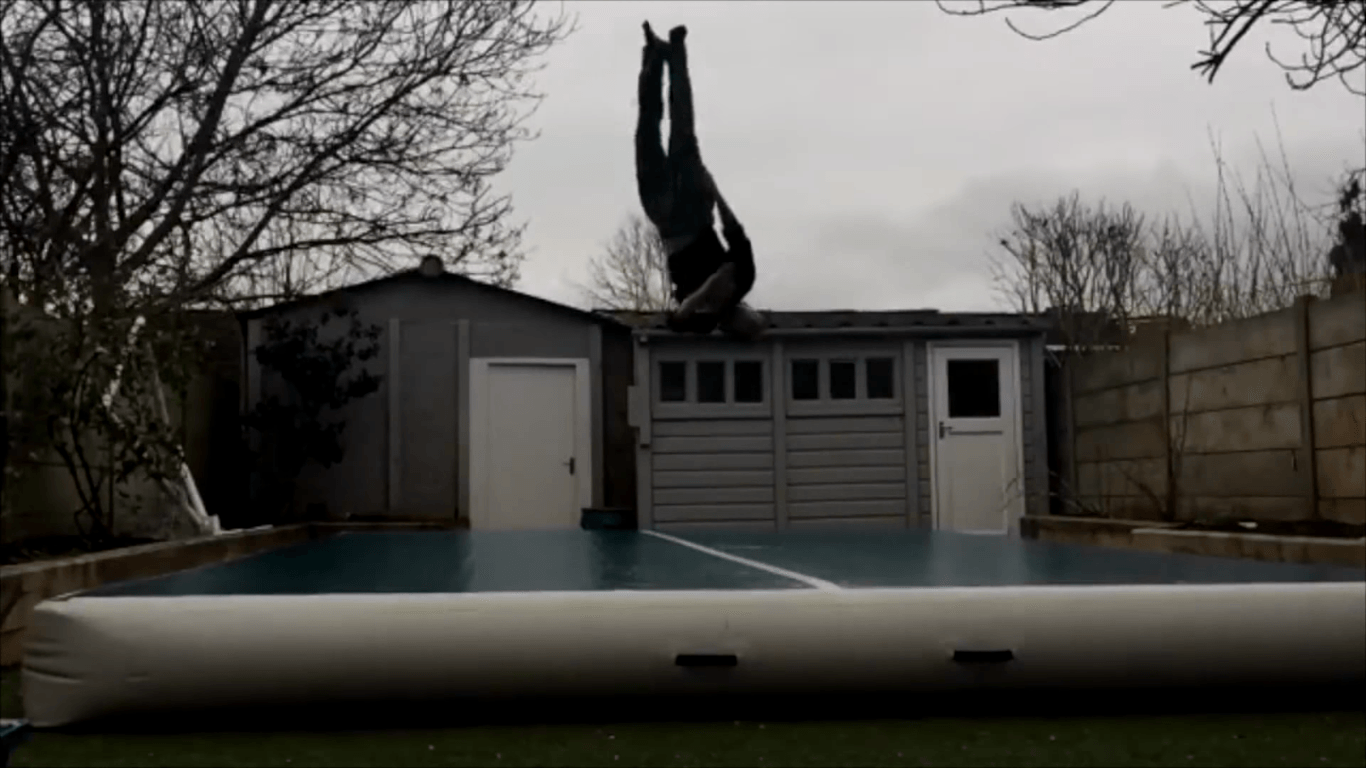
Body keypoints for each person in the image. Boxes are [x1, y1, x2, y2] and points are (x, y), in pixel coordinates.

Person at [635, 23, 765, 339]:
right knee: (683, 127)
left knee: (646, 134)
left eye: (736, 325)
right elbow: (734, 231)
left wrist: (708, 292)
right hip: (695, 212)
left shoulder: (703, 322)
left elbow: (675, 318)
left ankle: (653, 56)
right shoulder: (745, 279)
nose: (738, 317)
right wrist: (713, 187)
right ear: (750, 309)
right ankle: (676, 51)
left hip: (665, 220)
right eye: (748, 317)